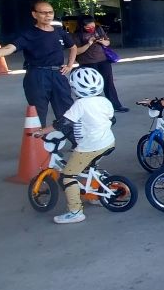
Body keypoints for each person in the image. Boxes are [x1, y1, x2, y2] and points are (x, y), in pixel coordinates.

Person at [0, 0, 76, 126]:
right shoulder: (28, 34)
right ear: (34, 15)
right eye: (43, 13)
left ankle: (74, 141)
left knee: (66, 109)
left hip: (58, 75)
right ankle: (38, 143)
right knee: (38, 111)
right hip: (37, 75)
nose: (48, 15)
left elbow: (73, 47)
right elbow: (9, 48)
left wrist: (69, 65)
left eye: (50, 12)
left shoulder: (59, 32)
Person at [38, 68, 115, 225]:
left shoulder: (80, 104)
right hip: (107, 143)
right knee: (89, 170)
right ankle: (96, 196)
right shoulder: (105, 101)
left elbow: (63, 123)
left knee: (68, 176)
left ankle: (75, 212)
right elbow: (111, 119)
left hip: (89, 147)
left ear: (74, 88)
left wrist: (42, 131)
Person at [72, 15, 127, 112]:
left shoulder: (98, 29)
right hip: (87, 63)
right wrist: (89, 43)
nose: (91, 28)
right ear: (82, 26)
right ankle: (95, 109)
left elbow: (107, 43)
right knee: (91, 86)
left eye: (92, 25)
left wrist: (102, 41)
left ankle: (116, 106)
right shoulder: (77, 35)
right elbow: (76, 51)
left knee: (108, 83)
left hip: (103, 61)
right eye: (88, 27)